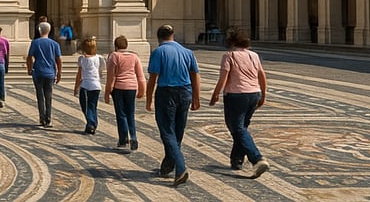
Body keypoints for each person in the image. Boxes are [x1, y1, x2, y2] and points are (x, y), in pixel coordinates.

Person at [209, 29, 271, 178]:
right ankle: (236, 160)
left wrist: (216, 94)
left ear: (231, 42)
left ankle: (257, 158)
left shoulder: (229, 56)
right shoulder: (253, 55)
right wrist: (263, 93)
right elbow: (261, 74)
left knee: (237, 128)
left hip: (236, 95)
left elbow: (223, 78)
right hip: (254, 93)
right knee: (242, 128)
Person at [146, 24, 200, 187]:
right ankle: (167, 166)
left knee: (167, 131)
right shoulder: (187, 52)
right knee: (177, 131)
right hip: (185, 92)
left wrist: (148, 99)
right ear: (173, 35)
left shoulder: (158, 52)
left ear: (159, 37)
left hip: (167, 92)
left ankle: (181, 168)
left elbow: (153, 78)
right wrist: (196, 98)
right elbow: (195, 76)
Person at [104, 34, 146, 151]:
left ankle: (123, 139)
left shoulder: (114, 56)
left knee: (121, 114)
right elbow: (140, 76)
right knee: (130, 113)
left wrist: (108, 92)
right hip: (132, 87)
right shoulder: (134, 57)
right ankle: (133, 137)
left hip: (118, 88)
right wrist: (142, 90)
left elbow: (111, 77)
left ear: (116, 46)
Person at [26, 21, 62, 128]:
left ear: (39, 30)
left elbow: (29, 56)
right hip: (50, 72)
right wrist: (59, 72)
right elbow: (58, 59)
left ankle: (42, 118)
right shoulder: (55, 44)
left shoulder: (35, 42)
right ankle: (49, 118)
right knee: (49, 96)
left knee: (40, 96)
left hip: (38, 72)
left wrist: (29, 68)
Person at [73, 36, 106, 134]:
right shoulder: (99, 58)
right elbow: (101, 70)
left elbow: (79, 74)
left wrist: (76, 87)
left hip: (86, 85)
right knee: (92, 106)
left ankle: (91, 124)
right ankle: (92, 124)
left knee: (86, 106)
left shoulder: (82, 59)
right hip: (96, 85)